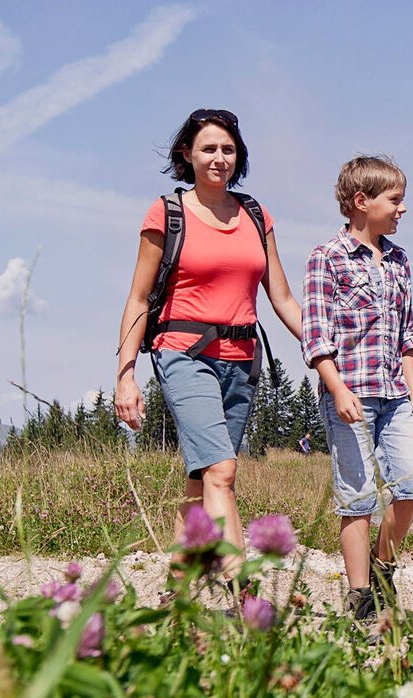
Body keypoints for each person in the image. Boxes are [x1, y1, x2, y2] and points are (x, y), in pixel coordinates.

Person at [113, 108, 303, 564]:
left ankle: (177, 594)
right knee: (222, 470)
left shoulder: (257, 215)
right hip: (182, 353)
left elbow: (282, 298)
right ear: (188, 154)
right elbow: (138, 299)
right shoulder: (168, 213)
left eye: (228, 149)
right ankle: (242, 591)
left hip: (241, 358)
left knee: (201, 479)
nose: (220, 158)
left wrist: (326, 352)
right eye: (209, 149)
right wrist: (125, 376)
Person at [302, 155, 413, 631]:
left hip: (396, 394)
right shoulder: (326, 258)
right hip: (350, 391)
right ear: (361, 202)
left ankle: (383, 568)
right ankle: (360, 596)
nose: (402, 209)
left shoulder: (399, 261)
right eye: (394, 200)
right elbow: (316, 335)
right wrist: (336, 388)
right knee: (357, 497)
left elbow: (408, 338)